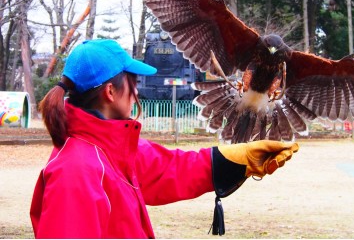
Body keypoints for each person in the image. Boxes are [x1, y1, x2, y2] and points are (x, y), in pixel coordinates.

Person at [30, 39, 299, 238]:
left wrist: (237, 159)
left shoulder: (113, 150)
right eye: (133, 80)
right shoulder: (75, 171)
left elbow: (170, 169)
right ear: (111, 91)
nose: (137, 89)